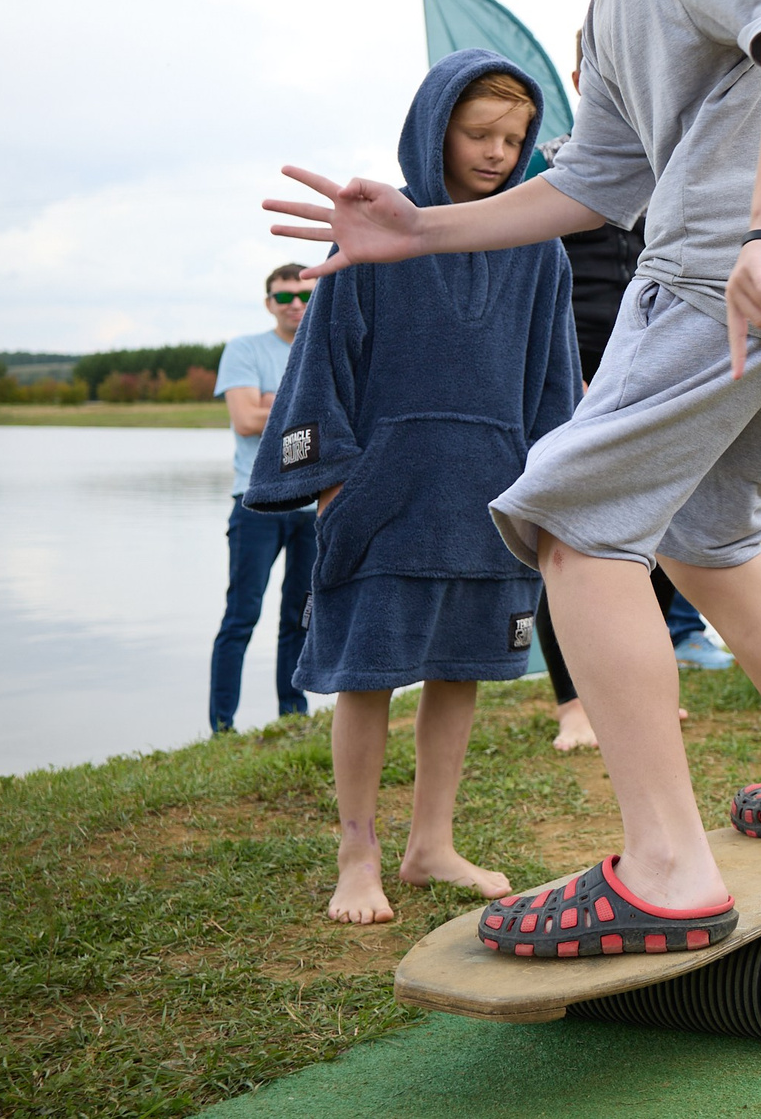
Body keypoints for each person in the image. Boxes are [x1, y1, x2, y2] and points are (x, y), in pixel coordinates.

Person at [277, 0, 761, 960]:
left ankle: (665, 869)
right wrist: (417, 230)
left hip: (733, 266)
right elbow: (592, 184)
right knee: (706, 534)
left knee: (568, 523)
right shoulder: (614, 7)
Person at [246, 55, 578, 922]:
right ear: (435, 127)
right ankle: (356, 852)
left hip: (491, 496)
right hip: (384, 496)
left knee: (459, 669)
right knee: (366, 676)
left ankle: (431, 843)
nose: (498, 152)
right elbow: (322, 362)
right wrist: (330, 481)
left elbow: (554, 381)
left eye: (514, 137)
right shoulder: (371, 231)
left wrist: (551, 483)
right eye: (479, 133)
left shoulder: (539, 247)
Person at [532, 43, 725, 755]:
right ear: (581, 78)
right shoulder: (547, 170)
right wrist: (566, 377)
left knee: (665, 532)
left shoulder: (678, 164)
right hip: (572, 371)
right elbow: (532, 287)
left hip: (655, 367)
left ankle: (645, 688)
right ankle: (574, 705)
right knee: (568, 535)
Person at [208, 265, 319, 732]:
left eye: (305, 295)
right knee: (242, 616)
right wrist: (309, 408)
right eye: (284, 296)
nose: (295, 304)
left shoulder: (326, 346)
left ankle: (292, 719)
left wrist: (271, 400)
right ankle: (222, 727)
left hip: (314, 507)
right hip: (256, 504)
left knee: (300, 617)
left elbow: (348, 420)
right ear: (268, 302)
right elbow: (245, 422)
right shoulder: (245, 349)